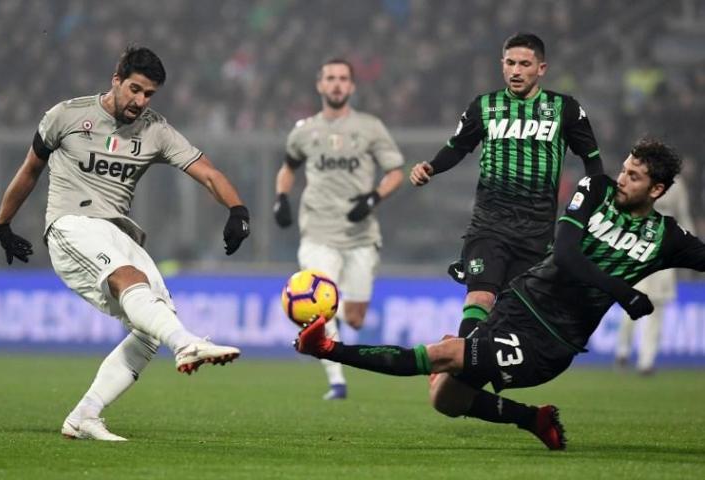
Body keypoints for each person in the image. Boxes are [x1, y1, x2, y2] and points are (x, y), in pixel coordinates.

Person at [296, 138, 705, 449]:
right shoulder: (596, 189)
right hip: (517, 304)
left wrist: (625, 293)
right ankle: (532, 419)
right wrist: (623, 293)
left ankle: (327, 348)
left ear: (657, 190)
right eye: (625, 168)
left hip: (552, 341)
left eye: (634, 176)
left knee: (443, 357)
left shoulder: (666, 238)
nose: (622, 178)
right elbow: (564, 254)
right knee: (445, 398)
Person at [0, 46, 251, 441]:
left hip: (118, 233)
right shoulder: (66, 115)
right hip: (71, 224)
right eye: (135, 89)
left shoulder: (155, 130)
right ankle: (186, 344)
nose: (140, 101)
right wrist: (2, 224)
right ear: (116, 79)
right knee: (129, 279)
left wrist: (237, 209)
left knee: (152, 323)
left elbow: (208, 172)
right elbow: (30, 169)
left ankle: (85, 416)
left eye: (149, 94)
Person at [409, 32, 604, 339]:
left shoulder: (565, 109)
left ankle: (461, 362)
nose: (516, 70)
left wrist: (588, 210)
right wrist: (430, 168)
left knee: (515, 317)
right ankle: (459, 372)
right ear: (502, 65)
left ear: (541, 68)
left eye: (524, 64)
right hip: (489, 224)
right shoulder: (484, 106)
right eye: (510, 63)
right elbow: (458, 147)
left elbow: (593, 163)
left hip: (537, 232)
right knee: (480, 298)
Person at [273, 58, 404, 400]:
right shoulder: (304, 130)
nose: (336, 84)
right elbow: (287, 168)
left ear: (352, 86)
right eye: (330, 78)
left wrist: (374, 199)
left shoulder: (370, 127)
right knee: (319, 301)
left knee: (356, 318)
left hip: (360, 234)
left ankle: (334, 312)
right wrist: (281, 198)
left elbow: (395, 173)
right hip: (318, 230)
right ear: (320, 84)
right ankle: (337, 380)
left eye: (343, 79)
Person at [614, 179, 695, 374]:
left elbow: (683, 217)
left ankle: (646, 362)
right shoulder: (640, 179)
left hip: (666, 252)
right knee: (631, 303)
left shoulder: (677, 186)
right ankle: (623, 350)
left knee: (657, 309)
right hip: (638, 249)